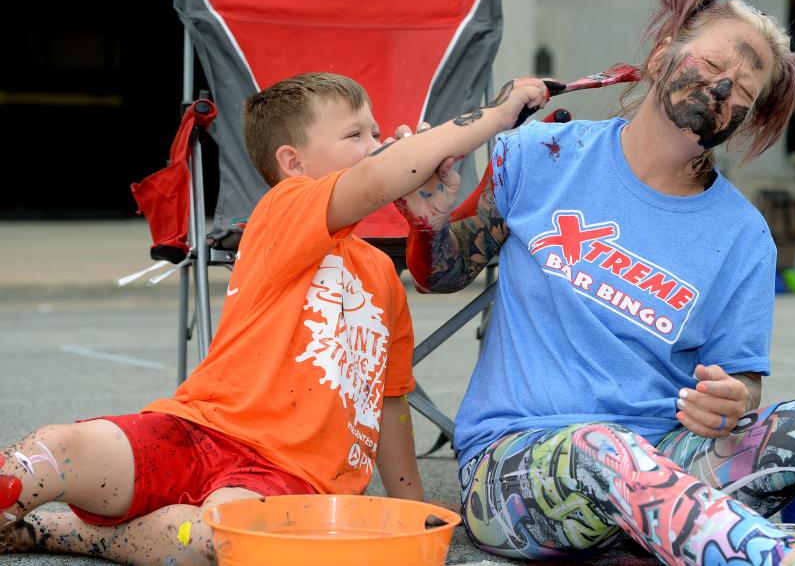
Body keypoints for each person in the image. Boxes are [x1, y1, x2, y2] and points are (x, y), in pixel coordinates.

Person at [397, 0, 795, 566]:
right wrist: (430, 224)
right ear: (663, 54)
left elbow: (742, 387)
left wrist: (729, 401)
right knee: (602, 449)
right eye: (716, 60)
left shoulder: (743, 236)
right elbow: (444, 274)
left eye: (744, 87)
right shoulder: (543, 154)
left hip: (668, 465)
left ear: (746, 116)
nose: (723, 84)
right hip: (514, 473)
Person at [0, 72, 549, 564]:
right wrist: (498, 117)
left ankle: (66, 532)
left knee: (223, 537)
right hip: (198, 428)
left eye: (375, 134)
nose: (378, 145)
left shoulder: (382, 276)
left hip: (290, 479)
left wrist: (412, 510)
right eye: (356, 135)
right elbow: (380, 178)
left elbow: (388, 399)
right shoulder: (286, 209)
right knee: (64, 446)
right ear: (293, 163)